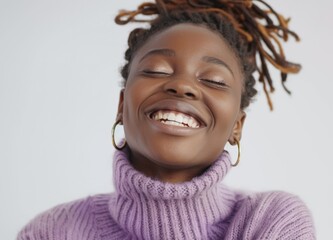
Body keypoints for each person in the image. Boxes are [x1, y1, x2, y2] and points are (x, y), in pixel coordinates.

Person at [17, 0, 315, 239]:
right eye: (157, 70)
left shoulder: (273, 221)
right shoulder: (52, 232)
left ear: (237, 126)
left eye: (213, 80)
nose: (182, 86)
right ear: (121, 106)